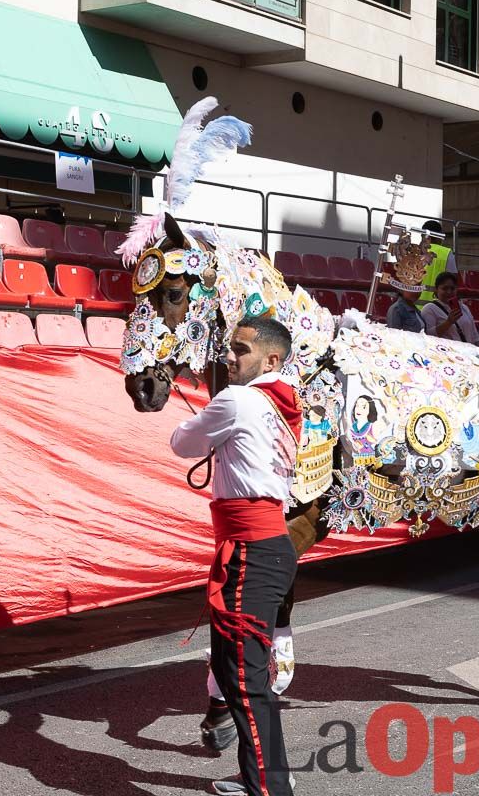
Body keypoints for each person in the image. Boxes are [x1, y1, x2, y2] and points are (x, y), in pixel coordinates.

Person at [170, 316, 300, 796]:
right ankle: (261, 781)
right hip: (263, 547)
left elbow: (182, 443)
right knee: (236, 673)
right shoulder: (278, 401)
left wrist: (203, 417)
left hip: (252, 549)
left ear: (270, 359)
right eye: (230, 347)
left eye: (240, 350)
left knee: (244, 681)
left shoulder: (239, 400)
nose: (229, 356)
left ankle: (269, 790)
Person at [421, 271, 479, 345]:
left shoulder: (464, 308)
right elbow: (427, 336)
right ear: (436, 290)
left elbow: (474, 334)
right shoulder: (429, 309)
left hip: (467, 353)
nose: (449, 292)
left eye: (452, 288)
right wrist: (448, 322)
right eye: (445, 288)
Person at [417, 220, 457, 305]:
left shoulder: (414, 251)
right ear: (439, 236)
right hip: (437, 307)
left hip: (414, 306)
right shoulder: (446, 253)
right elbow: (453, 280)